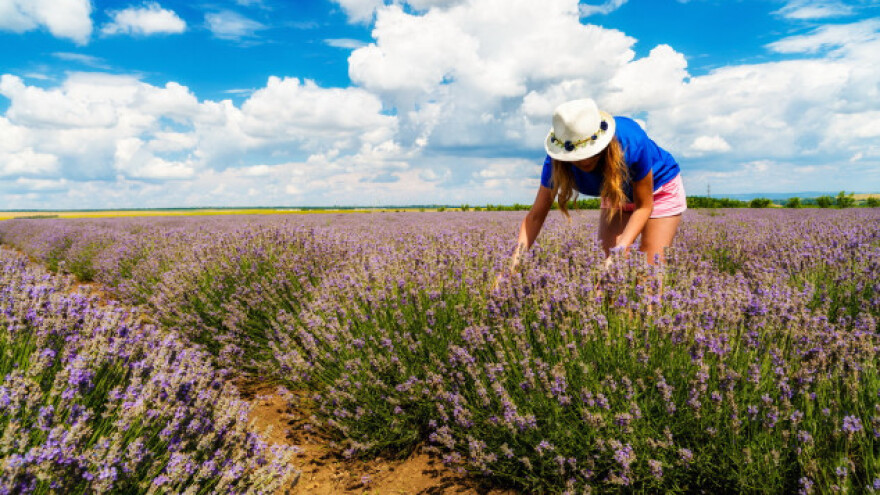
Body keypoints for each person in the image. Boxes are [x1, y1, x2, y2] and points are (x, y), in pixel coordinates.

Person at [507, 98, 686, 274]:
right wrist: (513, 266)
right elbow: (536, 216)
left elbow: (644, 206)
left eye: (590, 152)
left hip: (658, 190)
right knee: (607, 276)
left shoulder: (631, 142)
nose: (584, 160)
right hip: (614, 191)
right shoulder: (556, 164)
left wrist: (621, 249)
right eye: (576, 156)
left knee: (649, 272)